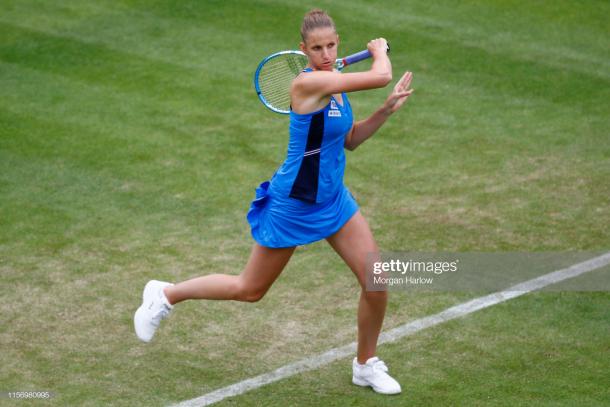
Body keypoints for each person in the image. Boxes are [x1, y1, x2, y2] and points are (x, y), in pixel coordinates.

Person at [134, 9, 413, 395]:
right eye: (317, 48)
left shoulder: (335, 85)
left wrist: (383, 111)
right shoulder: (306, 85)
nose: (327, 52)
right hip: (294, 204)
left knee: (376, 280)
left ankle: (365, 364)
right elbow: (381, 74)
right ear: (303, 50)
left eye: (331, 44)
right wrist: (378, 49)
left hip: (334, 201)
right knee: (250, 289)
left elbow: (347, 139)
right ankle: (164, 295)